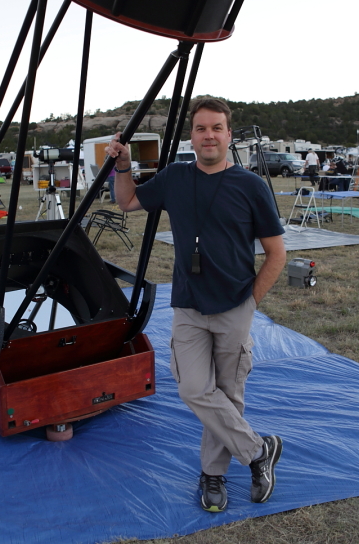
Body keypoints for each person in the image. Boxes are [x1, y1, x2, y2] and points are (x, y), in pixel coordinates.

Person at [106, 98, 286, 513]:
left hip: (234, 306)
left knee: (228, 393)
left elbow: (277, 253)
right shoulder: (175, 178)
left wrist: (250, 303)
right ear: (193, 136)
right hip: (188, 306)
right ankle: (259, 452)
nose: (209, 135)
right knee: (193, 388)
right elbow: (128, 202)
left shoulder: (251, 186)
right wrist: (123, 165)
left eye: (217, 128)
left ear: (227, 134)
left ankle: (214, 476)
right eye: (202, 128)